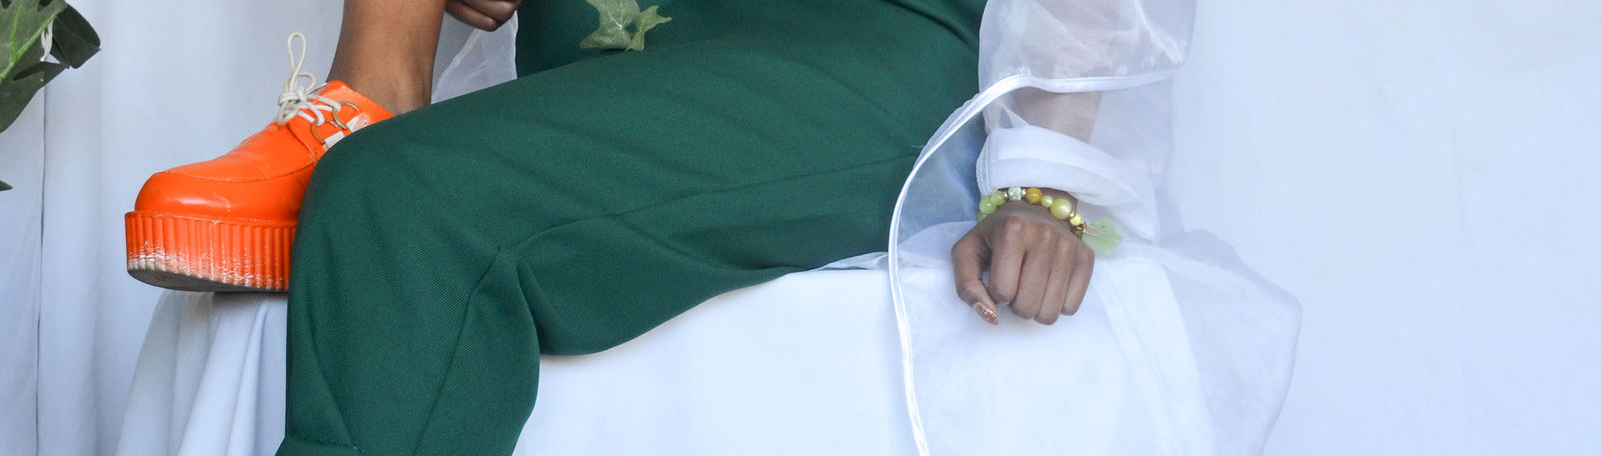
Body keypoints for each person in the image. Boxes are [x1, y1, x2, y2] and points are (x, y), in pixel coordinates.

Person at [125, 0, 1297, 454]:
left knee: (398, 201)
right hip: (612, 48)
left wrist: (1045, 172)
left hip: (844, 51)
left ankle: (366, 129)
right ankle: (365, 98)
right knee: (390, 189)